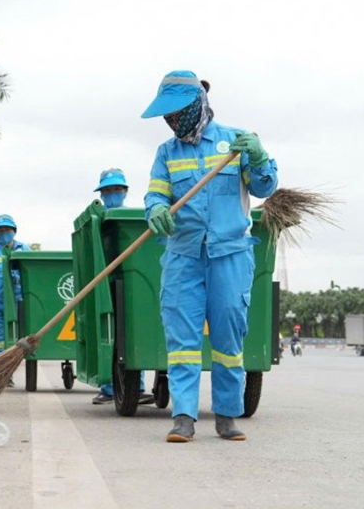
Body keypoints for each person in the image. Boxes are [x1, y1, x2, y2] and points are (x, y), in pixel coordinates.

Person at [142, 70, 278, 442]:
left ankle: (226, 416)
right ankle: (183, 417)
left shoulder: (236, 142)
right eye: (166, 116)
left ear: (197, 105)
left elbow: (265, 188)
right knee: (182, 341)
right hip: (183, 256)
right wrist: (155, 210)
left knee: (228, 338)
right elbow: (155, 194)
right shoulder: (167, 152)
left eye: (176, 113)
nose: (171, 121)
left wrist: (260, 158)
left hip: (230, 255)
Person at [90, 168, 154, 406]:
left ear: (125, 191)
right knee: (110, 335)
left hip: (131, 285)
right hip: (104, 285)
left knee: (133, 332)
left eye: (116, 189)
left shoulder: (134, 219)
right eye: (107, 190)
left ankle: (136, 387)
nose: (112, 194)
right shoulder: (96, 219)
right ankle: (108, 387)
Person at [0, 214, 31, 385]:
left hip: (19, 300)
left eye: (7, 229)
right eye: (1, 231)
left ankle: (8, 372)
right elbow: (1, 267)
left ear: (14, 231)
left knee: (17, 338)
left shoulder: (25, 248)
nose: (4, 233)